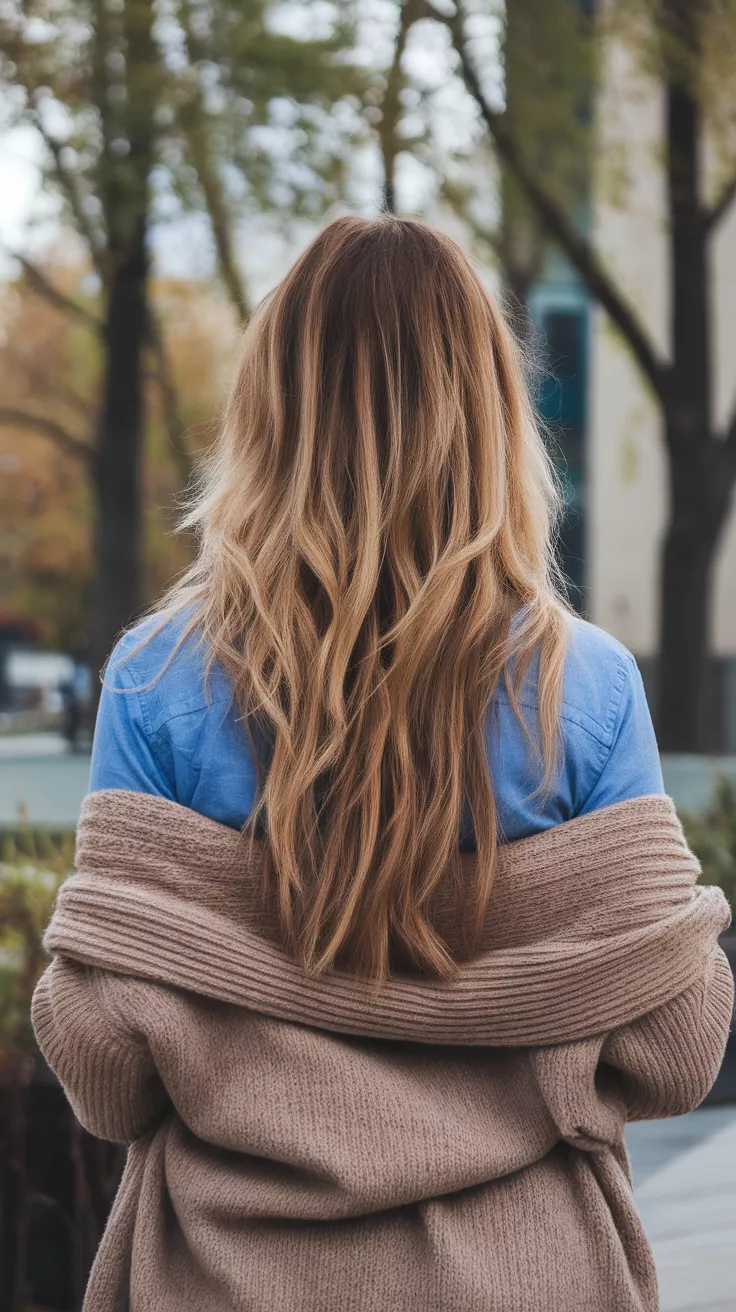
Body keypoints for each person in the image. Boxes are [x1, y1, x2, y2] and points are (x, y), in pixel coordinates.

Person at [33, 216, 732, 1312]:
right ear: (490, 413)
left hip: (228, 1273)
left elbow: (105, 1070)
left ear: (271, 410)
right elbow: (677, 1047)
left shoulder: (154, 682)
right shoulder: (582, 691)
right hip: (529, 1274)